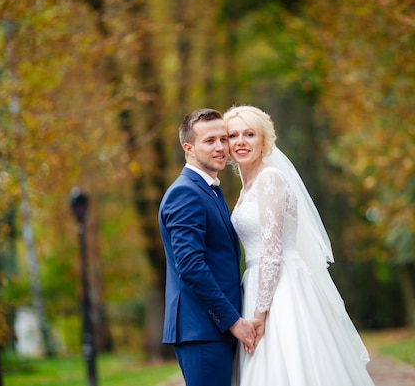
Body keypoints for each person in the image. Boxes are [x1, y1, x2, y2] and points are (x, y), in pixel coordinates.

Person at [224, 105, 376, 386]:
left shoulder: (270, 180)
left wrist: (259, 315)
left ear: (264, 140)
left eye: (250, 134)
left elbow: (272, 251)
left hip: (281, 288)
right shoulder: (248, 187)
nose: (241, 142)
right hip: (256, 285)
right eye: (233, 136)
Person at [158, 108, 257, 386]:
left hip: (213, 329)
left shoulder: (209, 189)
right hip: (201, 329)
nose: (221, 147)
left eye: (223, 139)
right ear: (188, 148)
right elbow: (191, 267)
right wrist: (232, 321)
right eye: (210, 141)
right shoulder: (184, 193)